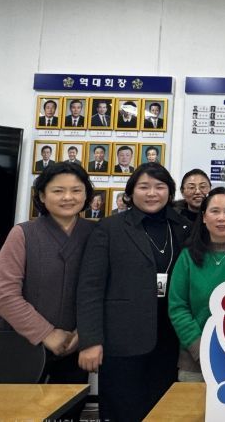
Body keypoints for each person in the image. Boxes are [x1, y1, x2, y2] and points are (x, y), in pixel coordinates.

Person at [77, 163, 190, 421]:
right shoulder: (109, 227)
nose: (152, 193)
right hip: (123, 341)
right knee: (123, 412)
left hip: (171, 340)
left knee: (166, 413)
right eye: (144, 187)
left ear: (170, 192)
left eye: (159, 187)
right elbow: (90, 287)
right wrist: (90, 340)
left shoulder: (183, 228)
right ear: (130, 192)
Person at [0, 163, 94, 419]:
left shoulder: (97, 234)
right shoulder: (23, 234)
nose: (68, 197)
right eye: (58, 190)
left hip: (76, 348)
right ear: (42, 195)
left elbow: (104, 291)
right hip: (23, 347)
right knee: (20, 414)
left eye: (76, 190)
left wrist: (84, 333)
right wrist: (46, 333)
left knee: (70, 412)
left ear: (86, 195)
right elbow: (4, 294)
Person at [169, 187, 225, 381]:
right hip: (195, 361)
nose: (221, 218)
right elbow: (178, 307)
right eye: (214, 211)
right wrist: (201, 348)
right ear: (204, 217)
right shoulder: (187, 257)